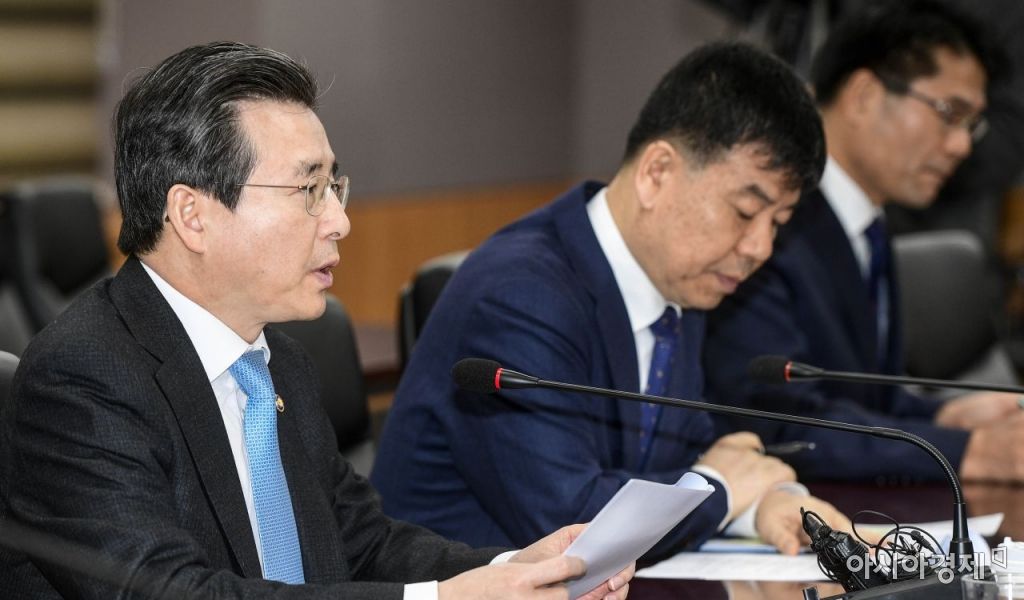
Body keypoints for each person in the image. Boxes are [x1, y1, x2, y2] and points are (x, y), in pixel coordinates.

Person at [0, 42, 634, 600]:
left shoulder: (280, 365)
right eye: (308, 190)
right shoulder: (83, 379)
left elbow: (361, 543)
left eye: (335, 187)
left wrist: (512, 570)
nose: (339, 221)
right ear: (192, 216)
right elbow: (169, 592)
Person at [371, 41, 851, 559]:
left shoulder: (681, 282)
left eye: (778, 223)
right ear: (657, 173)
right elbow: (571, 522)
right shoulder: (519, 294)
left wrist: (765, 503)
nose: (760, 248)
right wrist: (722, 490)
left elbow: (686, 458)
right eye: (745, 212)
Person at [703, 0, 1024, 483]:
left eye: (971, 125)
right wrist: (970, 452)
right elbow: (778, 420)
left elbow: (862, 400)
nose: (962, 145)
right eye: (949, 113)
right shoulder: (767, 222)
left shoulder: (866, 222)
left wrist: (946, 417)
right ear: (864, 95)